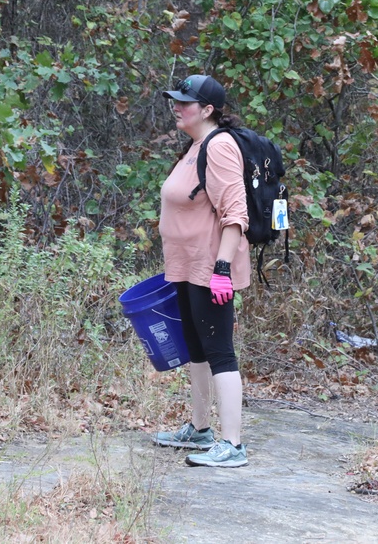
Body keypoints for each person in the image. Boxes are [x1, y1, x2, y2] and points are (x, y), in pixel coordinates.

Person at [153, 74, 250, 468]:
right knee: (195, 348)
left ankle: (233, 444)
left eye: (186, 101)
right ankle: (199, 429)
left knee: (219, 352)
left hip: (211, 268)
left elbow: (235, 213)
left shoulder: (220, 146)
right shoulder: (195, 147)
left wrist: (222, 269)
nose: (177, 106)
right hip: (186, 267)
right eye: (175, 99)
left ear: (207, 110)